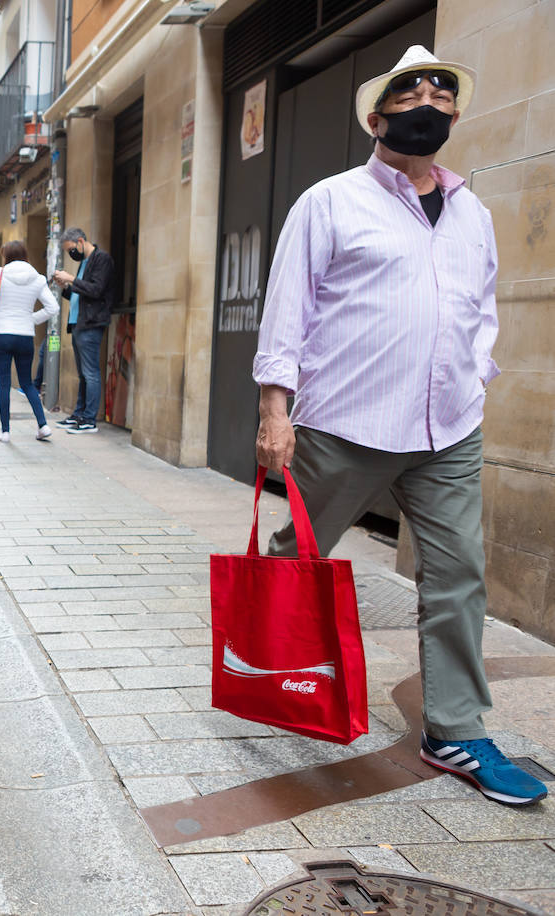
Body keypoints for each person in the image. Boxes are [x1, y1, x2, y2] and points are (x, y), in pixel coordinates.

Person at [255, 47, 545, 806]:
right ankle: (284, 675)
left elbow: (481, 305)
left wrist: (474, 375)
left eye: (442, 93)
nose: (429, 100)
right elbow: (290, 306)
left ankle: (454, 728)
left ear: (454, 115)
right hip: (345, 421)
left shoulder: (473, 211)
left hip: (446, 427)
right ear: (378, 117)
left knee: (456, 579)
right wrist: (274, 408)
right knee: (300, 559)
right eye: (411, 90)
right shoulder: (330, 201)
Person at [0, 240, 58, 443]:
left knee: (4, 384)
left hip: (3, 335)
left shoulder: (0, 274)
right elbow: (53, 308)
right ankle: (43, 426)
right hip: (25, 336)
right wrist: (30, 319)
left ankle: (5, 432)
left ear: (5, 255)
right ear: (25, 255)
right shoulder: (37, 278)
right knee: (27, 383)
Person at [52, 228, 116, 434]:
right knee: (83, 374)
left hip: (91, 323)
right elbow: (80, 295)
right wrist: (65, 287)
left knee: (90, 373)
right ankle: (79, 415)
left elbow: (96, 290)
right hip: (78, 323)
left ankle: (89, 419)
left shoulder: (101, 259)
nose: (72, 253)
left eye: (71, 249)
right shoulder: (84, 263)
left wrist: (71, 278)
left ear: (80, 241)